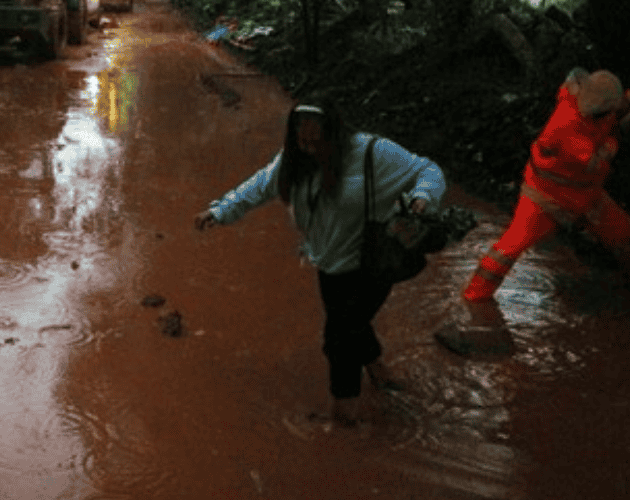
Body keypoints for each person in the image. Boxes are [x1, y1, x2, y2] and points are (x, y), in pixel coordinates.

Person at [195, 101, 446, 427]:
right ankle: (378, 371)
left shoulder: (373, 153)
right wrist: (219, 212)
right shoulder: (295, 161)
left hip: (373, 262)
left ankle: (345, 416)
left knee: (339, 337)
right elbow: (259, 186)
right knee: (351, 323)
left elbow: (428, 170)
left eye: (318, 143)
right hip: (330, 264)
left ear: (337, 135)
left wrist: (423, 197)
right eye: (303, 142)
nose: (310, 150)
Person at [454, 69, 630, 304]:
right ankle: (473, 296)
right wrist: (612, 142)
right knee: (509, 247)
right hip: (544, 199)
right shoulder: (566, 127)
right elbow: (597, 161)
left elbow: (617, 107)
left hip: (585, 193)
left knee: (623, 233)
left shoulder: (586, 99)